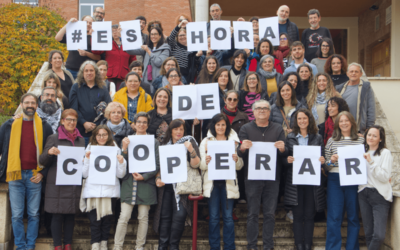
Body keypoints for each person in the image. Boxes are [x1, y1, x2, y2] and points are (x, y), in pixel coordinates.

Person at [0, 93, 53, 249]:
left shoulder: (44, 126)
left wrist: (42, 173)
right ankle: (20, 246)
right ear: (21, 104)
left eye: (33, 103)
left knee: (34, 214)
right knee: (16, 215)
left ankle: (30, 246)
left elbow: (49, 153)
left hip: (34, 175)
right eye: (27, 102)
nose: (30, 105)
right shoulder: (9, 125)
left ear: (37, 106)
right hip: (14, 175)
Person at [238, 99, 286, 250]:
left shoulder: (278, 129)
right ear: (253, 112)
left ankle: (268, 246)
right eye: (259, 108)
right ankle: (251, 246)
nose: (262, 111)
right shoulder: (246, 129)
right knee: (252, 213)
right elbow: (239, 154)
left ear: (270, 112)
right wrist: (242, 149)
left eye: (265, 108)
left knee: (270, 214)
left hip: (273, 178)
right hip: (252, 178)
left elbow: (285, 154)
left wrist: (283, 149)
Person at [39, 109, 84, 250]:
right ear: (62, 121)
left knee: (71, 215)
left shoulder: (81, 140)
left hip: (73, 182)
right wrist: (49, 152)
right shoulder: (53, 138)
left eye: (74, 120)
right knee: (57, 215)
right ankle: (58, 244)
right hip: (57, 183)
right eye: (68, 119)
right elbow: (42, 161)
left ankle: (68, 244)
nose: (71, 122)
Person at [113, 112, 160, 250]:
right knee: (124, 216)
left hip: (146, 183)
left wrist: (144, 177)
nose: (141, 124)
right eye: (139, 122)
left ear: (148, 125)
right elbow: (121, 163)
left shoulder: (154, 142)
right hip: (129, 183)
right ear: (134, 124)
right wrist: (124, 149)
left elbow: (157, 164)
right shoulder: (127, 140)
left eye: (144, 122)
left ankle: (139, 247)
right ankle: (117, 246)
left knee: (143, 217)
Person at [153, 119, 201, 249]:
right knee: (165, 217)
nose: (179, 132)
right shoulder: (164, 144)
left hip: (183, 188)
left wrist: (191, 150)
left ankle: (174, 246)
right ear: (171, 130)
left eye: (181, 129)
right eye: (176, 129)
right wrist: (158, 179)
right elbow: (160, 167)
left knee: (179, 216)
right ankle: (162, 246)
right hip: (166, 187)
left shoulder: (189, 142)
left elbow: (196, 164)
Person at [199, 113, 243, 250]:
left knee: (228, 218)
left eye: (223, 124)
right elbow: (200, 165)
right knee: (213, 217)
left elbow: (240, 166)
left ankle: (230, 247)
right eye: (218, 124)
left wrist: (237, 160)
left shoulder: (233, 142)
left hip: (228, 183)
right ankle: (215, 247)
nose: (220, 127)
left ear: (227, 126)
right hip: (212, 184)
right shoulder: (206, 141)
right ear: (214, 125)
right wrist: (205, 162)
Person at [285, 108, 326, 250]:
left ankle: (308, 244)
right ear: (296, 121)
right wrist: (287, 160)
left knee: (309, 215)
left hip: (312, 182)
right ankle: (299, 244)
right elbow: (283, 160)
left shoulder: (317, 137)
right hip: (295, 182)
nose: (302, 121)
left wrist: (322, 160)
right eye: (299, 119)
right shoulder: (290, 137)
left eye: (305, 118)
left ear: (309, 120)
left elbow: (323, 158)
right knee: (298, 215)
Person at [81, 125, 126, 250]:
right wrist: (87, 160)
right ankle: (95, 245)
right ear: (95, 136)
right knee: (94, 221)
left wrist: (121, 163)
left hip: (109, 191)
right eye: (99, 135)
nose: (101, 137)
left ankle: (104, 243)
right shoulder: (89, 149)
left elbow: (120, 174)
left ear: (108, 136)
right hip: (93, 191)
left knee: (106, 221)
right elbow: (84, 174)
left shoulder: (115, 149)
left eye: (104, 135)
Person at [324, 111, 364, 250]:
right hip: (335, 180)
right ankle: (333, 247)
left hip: (353, 180)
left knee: (353, 216)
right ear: (337, 124)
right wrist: (331, 161)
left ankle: (352, 247)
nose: (344, 123)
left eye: (347, 120)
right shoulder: (331, 141)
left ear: (352, 122)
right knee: (334, 217)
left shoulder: (361, 141)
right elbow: (326, 167)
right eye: (341, 121)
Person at [359, 125, 393, 250]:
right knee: (368, 233)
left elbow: (385, 177)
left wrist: (371, 162)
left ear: (380, 139)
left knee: (378, 235)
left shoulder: (385, 153)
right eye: (369, 135)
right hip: (363, 193)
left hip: (380, 195)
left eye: (375, 136)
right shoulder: (362, 152)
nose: (371, 138)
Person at [69, 61, 112, 145]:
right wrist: (84, 122)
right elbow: (73, 109)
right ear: (82, 73)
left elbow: (108, 107)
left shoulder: (103, 88)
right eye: (86, 71)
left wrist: (95, 126)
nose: (89, 73)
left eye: (91, 70)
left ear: (96, 72)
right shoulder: (76, 87)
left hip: (99, 133)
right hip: (81, 132)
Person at [221, 90, 249, 203]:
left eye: (235, 99)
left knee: (239, 173)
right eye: (229, 99)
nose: (232, 102)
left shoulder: (243, 116)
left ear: (238, 101)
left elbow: (247, 134)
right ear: (225, 100)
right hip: (222, 151)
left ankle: (239, 198)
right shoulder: (218, 115)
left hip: (237, 151)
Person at [126, 27, 171, 94]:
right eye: (151, 34)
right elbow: (130, 51)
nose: (153, 36)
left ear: (160, 35)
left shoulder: (165, 49)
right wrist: (123, 36)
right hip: (146, 81)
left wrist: (148, 51)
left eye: (155, 34)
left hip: (158, 81)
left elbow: (159, 62)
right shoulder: (148, 47)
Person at [92, 25, 136, 91]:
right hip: (109, 75)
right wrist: (93, 36)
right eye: (112, 31)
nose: (115, 33)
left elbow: (133, 61)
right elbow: (96, 51)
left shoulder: (127, 44)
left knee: (121, 94)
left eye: (117, 31)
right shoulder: (108, 43)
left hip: (123, 75)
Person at [335, 63, 375, 133]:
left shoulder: (366, 88)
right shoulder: (339, 88)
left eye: (356, 71)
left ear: (361, 74)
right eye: (351, 71)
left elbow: (371, 108)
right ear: (347, 74)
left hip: (359, 129)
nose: (354, 73)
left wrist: (369, 127)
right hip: (342, 128)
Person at [167, 17, 200, 84]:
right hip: (175, 75)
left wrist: (189, 25)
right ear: (177, 37)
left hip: (188, 76)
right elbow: (171, 37)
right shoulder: (174, 46)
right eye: (180, 35)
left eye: (184, 35)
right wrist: (179, 26)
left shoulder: (193, 48)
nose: (182, 37)